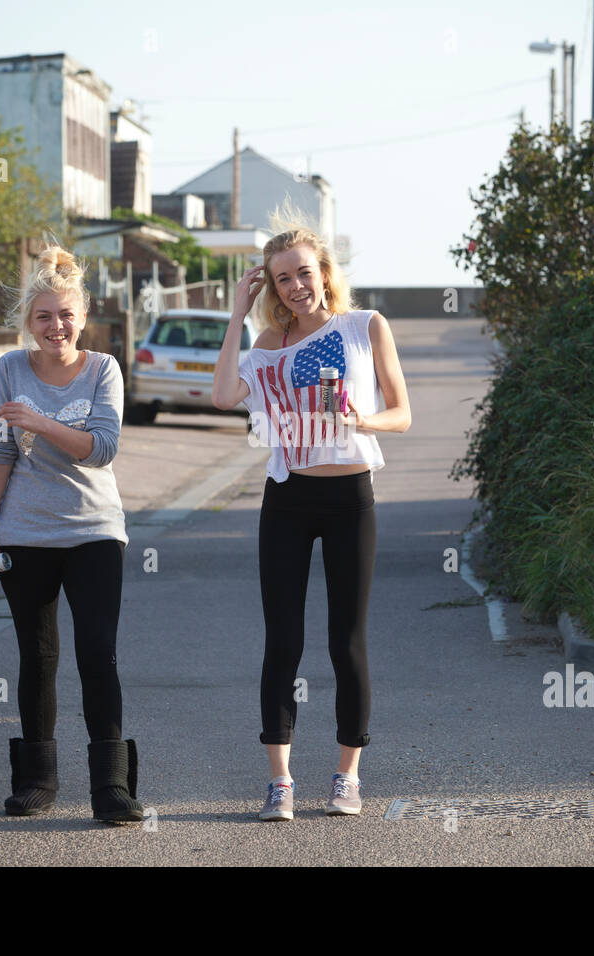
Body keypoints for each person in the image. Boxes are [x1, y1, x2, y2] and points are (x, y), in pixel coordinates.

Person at [212, 208, 411, 821]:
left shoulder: (364, 326)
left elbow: (401, 412)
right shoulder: (267, 345)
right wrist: (235, 319)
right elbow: (223, 395)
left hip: (351, 496)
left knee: (345, 642)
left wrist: (358, 420)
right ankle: (281, 782)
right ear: (270, 289)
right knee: (283, 640)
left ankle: (347, 776)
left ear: (324, 272)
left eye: (303, 273)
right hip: (288, 499)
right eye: (281, 280)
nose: (295, 287)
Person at [0, 244, 143, 824]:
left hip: (95, 531)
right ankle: (36, 782)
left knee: (99, 655)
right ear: (29, 322)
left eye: (65, 315)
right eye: (43, 316)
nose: (55, 326)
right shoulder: (10, 370)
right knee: (36, 657)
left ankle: (112, 787)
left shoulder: (103, 370)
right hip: (24, 534)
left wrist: (41, 422)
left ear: (82, 317)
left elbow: (102, 448)